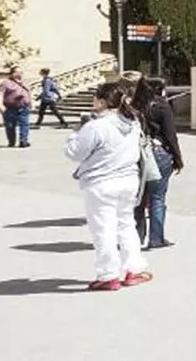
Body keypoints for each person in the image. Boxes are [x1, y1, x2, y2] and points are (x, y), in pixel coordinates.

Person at [64, 81, 153, 291]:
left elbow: (74, 152)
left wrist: (74, 134)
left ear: (102, 101)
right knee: (126, 224)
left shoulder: (96, 126)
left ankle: (108, 274)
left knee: (103, 228)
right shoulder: (132, 122)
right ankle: (134, 268)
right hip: (128, 180)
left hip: (101, 182)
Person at [132, 77, 183, 249]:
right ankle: (156, 238)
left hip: (138, 153)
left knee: (139, 198)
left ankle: (135, 238)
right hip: (159, 153)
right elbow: (170, 135)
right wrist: (178, 158)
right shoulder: (162, 106)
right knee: (157, 198)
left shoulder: (134, 106)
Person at [0, 67, 32, 148]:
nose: (19, 74)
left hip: (24, 107)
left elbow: (29, 93)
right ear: (12, 73)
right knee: (10, 126)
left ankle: (23, 140)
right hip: (10, 108)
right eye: (17, 72)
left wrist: (30, 103)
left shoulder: (25, 83)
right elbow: (0, 94)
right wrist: (0, 106)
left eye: (21, 72)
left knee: (24, 124)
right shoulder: (5, 83)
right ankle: (11, 141)